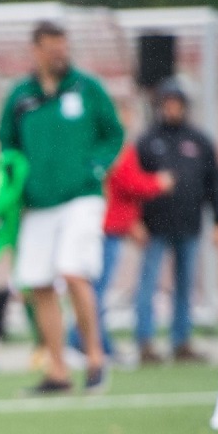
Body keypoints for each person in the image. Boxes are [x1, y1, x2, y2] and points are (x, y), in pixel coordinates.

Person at [0, 20, 124, 393]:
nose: (59, 55)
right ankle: (58, 370)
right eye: (52, 48)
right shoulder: (20, 95)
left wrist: (96, 166)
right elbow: (7, 143)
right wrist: (10, 187)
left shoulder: (87, 88)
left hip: (81, 197)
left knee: (72, 272)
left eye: (63, 48)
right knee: (38, 282)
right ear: (36, 50)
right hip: (36, 204)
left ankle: (95, 357)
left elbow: (113, 133)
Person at [67, 113, 175, 362]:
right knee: (97, 289)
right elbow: (130, 183)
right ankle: (88, 341)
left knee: (95, 288)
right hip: (106, 229)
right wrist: (158, 183)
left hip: (108, 227)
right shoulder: (111, 148)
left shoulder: (100, 146)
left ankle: (88, 339)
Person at [135, 78, 218, 363]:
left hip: (189, 224)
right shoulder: (148, 140)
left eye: (177, 103)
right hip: (155, 226)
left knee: (185, 284)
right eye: (167, 103)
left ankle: (181, 340)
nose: (172, 108)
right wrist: (135, 221)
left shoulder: (199, 140)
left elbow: (214, 182)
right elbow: (133, 183)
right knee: (148, 283)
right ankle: (145, 341)